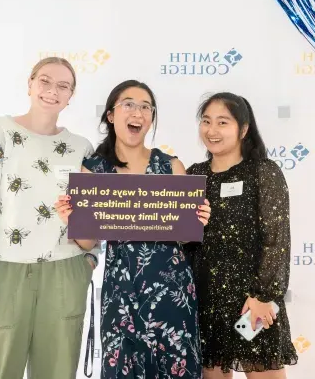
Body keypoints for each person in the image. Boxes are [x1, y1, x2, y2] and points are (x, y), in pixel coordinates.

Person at [55, 79, 211, 379]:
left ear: (151, 118)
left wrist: (197, 221)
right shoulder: (94, 170)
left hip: (171, 291)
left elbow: (184, 236)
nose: (137, 112)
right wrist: (71, 220)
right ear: (111, 115)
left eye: (145, 107)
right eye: (128, 104)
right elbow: (88, 242)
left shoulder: (171, 166)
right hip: (121, 295)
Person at [0, 57, 100, 379]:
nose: (53, 91)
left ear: (71, 95)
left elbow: (93, 218)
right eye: (45, 81)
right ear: (30, 84)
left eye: (63, 86)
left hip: (66, 273)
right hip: (5, 273)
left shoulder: (82, 148)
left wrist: (88, 259)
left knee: (57, 372)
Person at [186, 93, 298, 379]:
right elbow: (183, 242)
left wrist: (263, 296)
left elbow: (277, 240)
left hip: (251, 303)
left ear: (243, 129)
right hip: (206, 302)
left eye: (222, 122)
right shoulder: (193, 176)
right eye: (206, 121)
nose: (212, 130)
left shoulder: (263, 172)